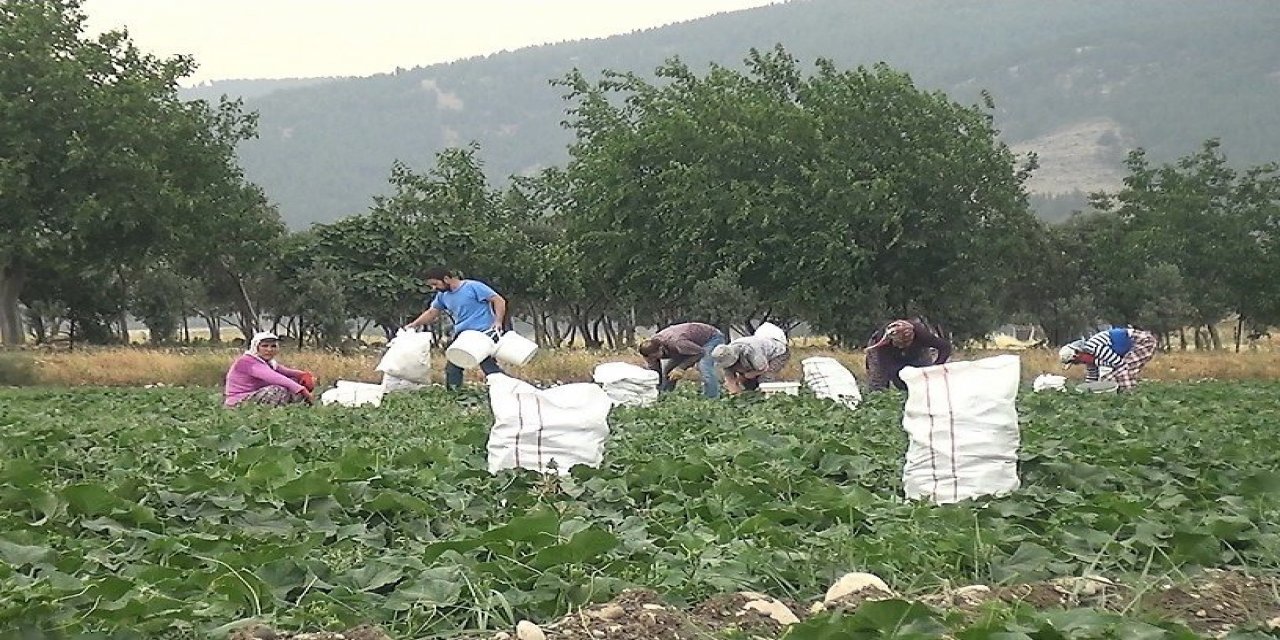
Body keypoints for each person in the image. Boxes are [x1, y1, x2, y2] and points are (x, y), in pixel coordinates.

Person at [404, 266, 508, 391]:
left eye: (435, 284)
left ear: (446, 279)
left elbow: (498, 300)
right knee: (455, 365)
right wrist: (414, 324)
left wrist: (498, 321)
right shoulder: (443, 296)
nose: (434, 288)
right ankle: (454, 393)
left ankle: (504, 389)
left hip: (483, 332)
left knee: (486, 364)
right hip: (463, 335)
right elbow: (432, 312)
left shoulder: (472, 287)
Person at [224, 332, 316, 407]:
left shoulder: (269, 362)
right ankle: (273, 412)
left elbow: (286, 372)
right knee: (278, 389)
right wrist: (303, 390)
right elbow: (275, 378)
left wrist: (304, 375)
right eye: (264, 346)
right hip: (238, 401)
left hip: (255, 396)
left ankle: (299, 406)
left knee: (295, 381)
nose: (269, 349)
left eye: (273, 346)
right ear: (256, 347)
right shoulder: (247, 361)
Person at [638, 322, 726, 398]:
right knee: (668, 371)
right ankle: (664, 396)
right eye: (651, 358)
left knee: (704, 366)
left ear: (661, 348)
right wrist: (656, 386)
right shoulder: (650, 352)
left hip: (711, 338)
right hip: (689, 346)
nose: (655, 359)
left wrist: (680, 368)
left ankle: (712, 398)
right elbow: (656, 371)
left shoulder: (678, 343)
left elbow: (700, 353)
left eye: (655, 356)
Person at [865, 318, 953, 392]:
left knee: (924, 377)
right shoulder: (882, 344)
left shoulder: (922, 335)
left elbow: (945, 347)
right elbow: (889, 369)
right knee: (879, 382)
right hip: (886, 353)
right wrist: (904, 384)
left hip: (915, 351)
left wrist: (936, 366)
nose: (901, 346)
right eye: (899, 343)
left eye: (905, 343)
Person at [1059, 326, 1157, 392]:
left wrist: (1096, 362)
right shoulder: (1089, 356)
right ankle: (1128, 393)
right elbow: (1092, 377)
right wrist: (1086, 391)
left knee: (1123, 371)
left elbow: (1118, 363)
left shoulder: (1094, 347)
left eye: (1075, 361)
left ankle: (1131, 396)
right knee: (1111, 377)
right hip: (1132, 346)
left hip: (1143, 341)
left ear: (1077, 354)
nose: (1078, 363)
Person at [710, 334, 790, 395]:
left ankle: (770, 400)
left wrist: (748, 375)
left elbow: (764, 368)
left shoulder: (751, 351)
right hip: (758, 359)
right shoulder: (723, 357)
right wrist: (734, 393)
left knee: (765, 378)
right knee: (748, 383)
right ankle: (752, 400)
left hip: (778, 353)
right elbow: (730, 380)